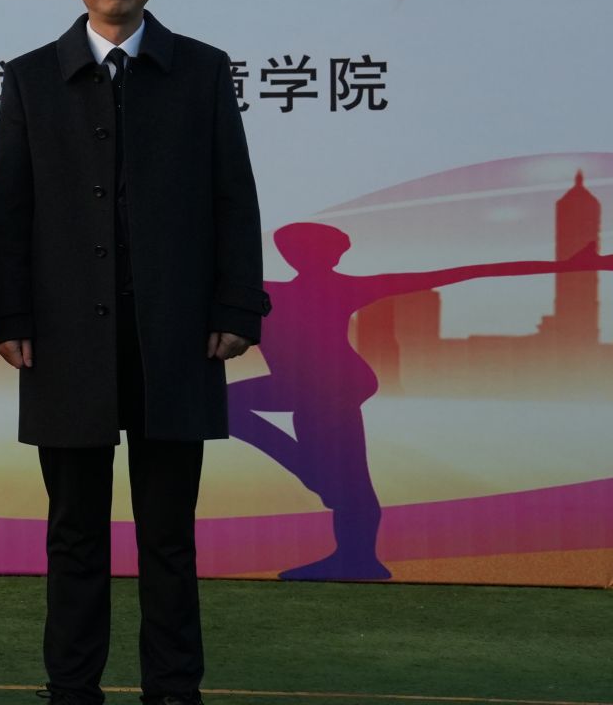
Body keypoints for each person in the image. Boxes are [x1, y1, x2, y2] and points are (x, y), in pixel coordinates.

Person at [0, 0, 269, 705]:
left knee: (169, 535)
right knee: (74, 532)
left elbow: (233, 197)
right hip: (66, 339)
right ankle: (72, 688)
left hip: (173, 337)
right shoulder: (32, 78)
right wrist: (10, 317)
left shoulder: (201, 71)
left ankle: (173, 689)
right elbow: (11, 209)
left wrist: (236, 309)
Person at [235, 215, 613, 581]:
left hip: (332, 388)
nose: (296, 256)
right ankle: (343, 530)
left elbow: (467, 272)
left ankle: (352, 547)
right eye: (292, 249)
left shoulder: (328, 289)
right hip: (302, 387)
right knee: (246, 417)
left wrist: (571, 266)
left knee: (342, 474)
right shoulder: (269, 292)